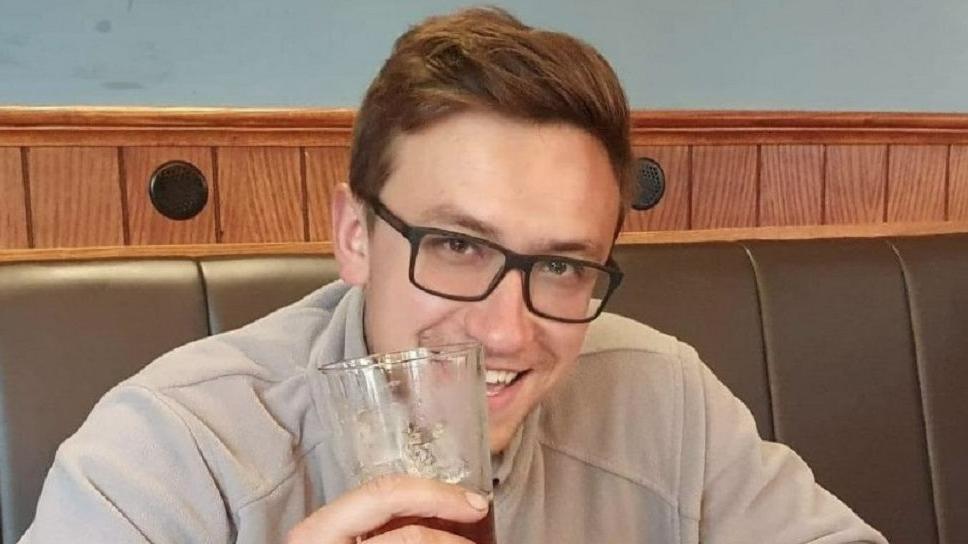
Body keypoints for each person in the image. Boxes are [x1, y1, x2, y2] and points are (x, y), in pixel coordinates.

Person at [22, 7, 886, 544]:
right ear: (355, 236)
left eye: (559, 264)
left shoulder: (666, 398)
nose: (509, 332)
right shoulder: (174, 450)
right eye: (458, 247)